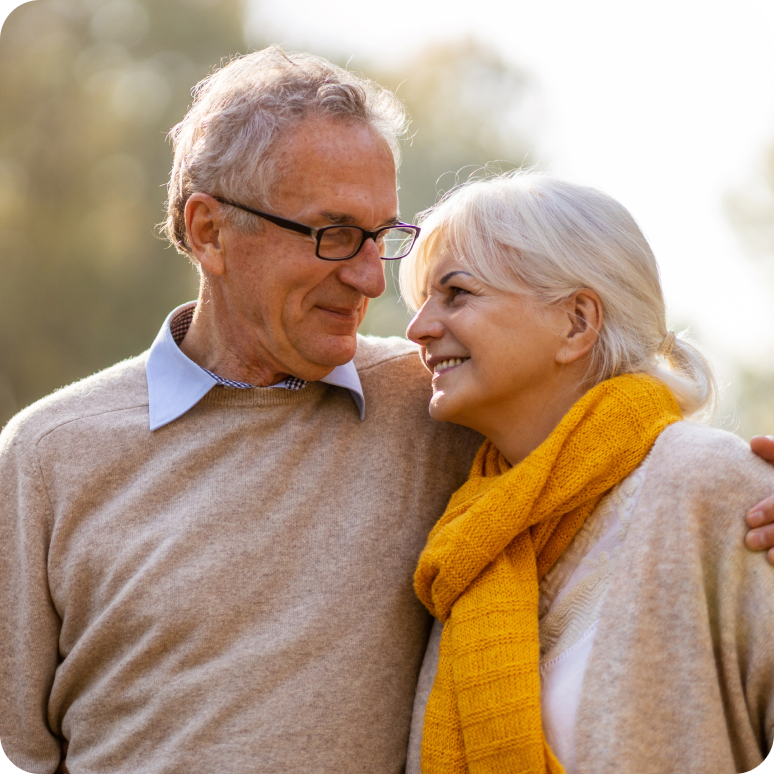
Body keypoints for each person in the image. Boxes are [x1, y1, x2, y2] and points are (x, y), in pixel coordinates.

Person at [0, 48, 773, 774]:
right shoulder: (48, 456)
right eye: (335, 235)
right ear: (209, 231)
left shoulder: (441, 403)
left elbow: (606, 433)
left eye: (383, 235)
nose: (374, 282)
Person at [401, 171, 774, 774]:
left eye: (457, 294)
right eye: (421, 302)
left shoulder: (712, 484)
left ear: (576, 322)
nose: (417, 329)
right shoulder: (472, 539)